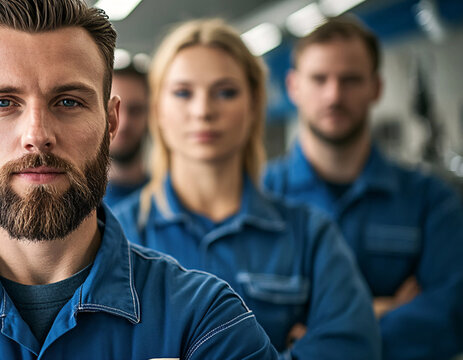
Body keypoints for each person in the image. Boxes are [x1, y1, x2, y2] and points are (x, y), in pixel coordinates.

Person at [0, 1, 278, 359]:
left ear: (112, 121)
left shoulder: (203, 322)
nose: (37, 136)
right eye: (3, 103)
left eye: (68, 102)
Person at [113, 19, 380, 359]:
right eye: (183, 93)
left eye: (226, 92)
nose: (203, 111)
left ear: (254, 104)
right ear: (157, 110)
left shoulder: (310, 236)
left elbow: (351, 349)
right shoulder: (113, 236)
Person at [263, 17, 463, 359]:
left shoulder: (430, 199)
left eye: (351, 79)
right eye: (319, 78)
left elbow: (452, 312)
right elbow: (248, 316)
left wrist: (327, 341)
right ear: (294, 86)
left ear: (376, 87)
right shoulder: (259, 196)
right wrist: (376, 313)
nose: (334, 94)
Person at [103, 52, 150, 207]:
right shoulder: (73, 204)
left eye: (135, 110)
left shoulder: (168, 200)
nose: (122, 124)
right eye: (112, 111)